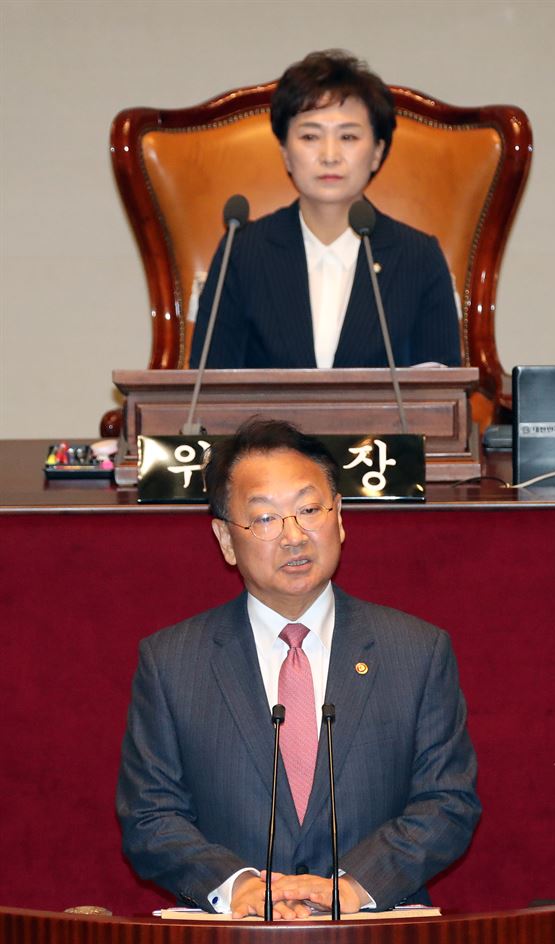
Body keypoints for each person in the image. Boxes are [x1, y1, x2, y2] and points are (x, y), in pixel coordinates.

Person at [117, 418, 480, 919]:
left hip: (373, 928)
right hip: (232, 932)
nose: (293, 536)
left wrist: (356, 885)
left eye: (309, 510)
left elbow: (448, 801)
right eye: (265, 519)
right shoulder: (173, 662)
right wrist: (236, 886)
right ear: (225, 538)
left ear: (341, 517)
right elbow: (149, 816)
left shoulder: (416, 650)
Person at [189, 50, 461, 372]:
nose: (329, 155)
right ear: (286, 154)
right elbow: (208, 390)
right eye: (310, 136)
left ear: (377, 152)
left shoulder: (418, 257)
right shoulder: (244, 252)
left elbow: (445, 400)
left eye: (348, 136)